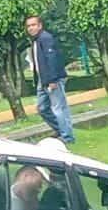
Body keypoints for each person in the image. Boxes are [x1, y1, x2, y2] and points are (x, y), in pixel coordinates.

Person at [26, 16, 75, 144]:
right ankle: (60, 129)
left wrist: (52, 80)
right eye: (28, 26)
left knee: (58, 108)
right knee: (42, 108)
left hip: (53, 79)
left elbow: (51, 59)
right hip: (43, 80)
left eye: (33, 25)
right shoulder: (36, 40)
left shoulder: (45, 38)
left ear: (40, 25)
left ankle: (67, 137)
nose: (31, 28)